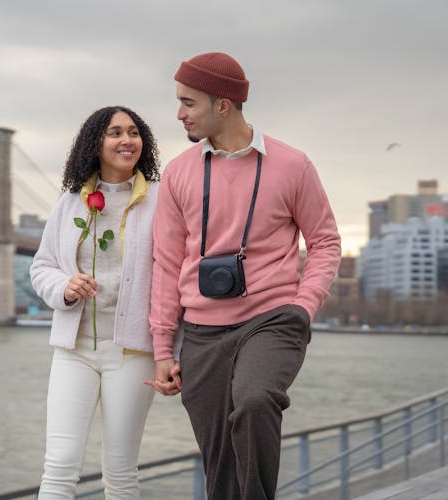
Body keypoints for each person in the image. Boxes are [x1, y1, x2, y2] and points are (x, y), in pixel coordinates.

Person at [145, 52, 342, 500]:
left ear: (223, 105)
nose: (179, 114)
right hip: (201, 332)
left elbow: (326, 242)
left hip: (272, 320)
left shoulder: (293, 166)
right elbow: (168, 262)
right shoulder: (177, 174)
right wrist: (162, 346)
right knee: (220, 461)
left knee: (254, 402)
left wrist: (303, 305)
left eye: (188, 102)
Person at [30, 105, 160, 499]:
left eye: (133, 132)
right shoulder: (70, 202)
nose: (126, 140)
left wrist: (175, 348)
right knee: (59, 467)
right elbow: (41, 267)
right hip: (75, 350)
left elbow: (174, 275)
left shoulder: (162, 201)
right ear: (96, 143)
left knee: (121, 472)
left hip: (134, 352)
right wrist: (65, 287)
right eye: (115, 133)